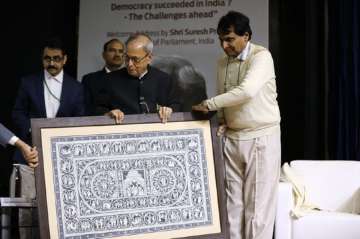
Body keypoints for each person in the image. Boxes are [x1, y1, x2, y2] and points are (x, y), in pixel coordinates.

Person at [192, 11, 281, 239]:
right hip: (232, 137)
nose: (224, 45)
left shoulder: (262, 56)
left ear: (246, 36)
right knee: (232, 206)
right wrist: (221, 119)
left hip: (261, 137)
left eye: (230, 39)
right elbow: (223, 92)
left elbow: (247, 91)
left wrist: (209, 104)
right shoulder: (222, 62)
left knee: (257, 210)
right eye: (221, 39)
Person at [11, 37, 85, 239]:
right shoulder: (28, 82)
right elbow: (17, 113)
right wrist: (32, 131)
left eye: (56, 58)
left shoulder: (76, 87)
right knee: (27, 211)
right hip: (29, 153)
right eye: (47, 59)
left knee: (60, 208)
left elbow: (79, 119)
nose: (51, 63)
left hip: (62, 157)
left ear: (65, 59)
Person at [96, 33, 180, 123]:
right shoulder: (109, 80)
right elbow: (98, 109)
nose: (130, 64)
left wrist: (170, 110)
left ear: (149, 58)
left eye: (135, 59)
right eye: (127, 58)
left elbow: (176, 105)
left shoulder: (165, 79)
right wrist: (108, 114)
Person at [82, 38, 125, 115]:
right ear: (104, 55)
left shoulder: (131, 79)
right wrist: (106, 114)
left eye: (120, 51)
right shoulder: (90, 80)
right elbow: (85, 107)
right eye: (112, 50)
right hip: (99, 124)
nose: (117, 54)